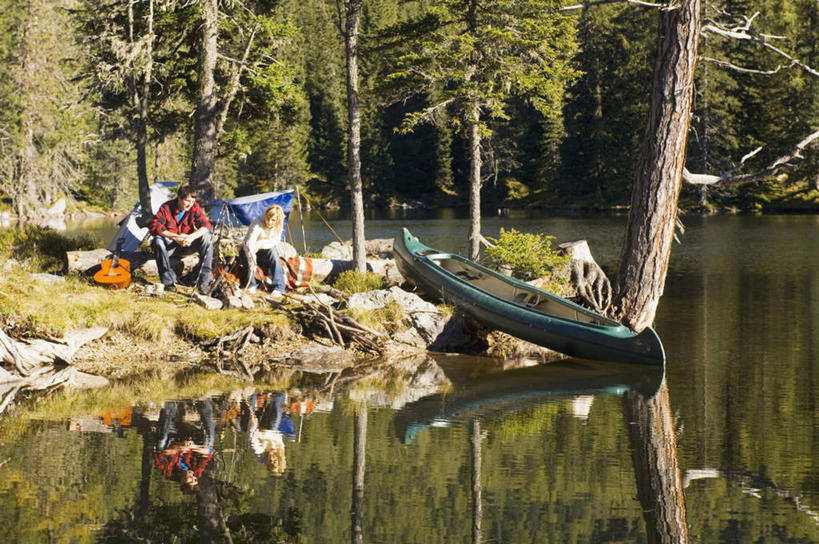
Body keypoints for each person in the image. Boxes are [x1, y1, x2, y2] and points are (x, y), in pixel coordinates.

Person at [149, 184, 213, 293]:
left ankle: (204, 282)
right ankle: (168, 282)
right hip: (170, 247)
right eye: (187, 201)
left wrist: (191, 237)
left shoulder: (194, 207)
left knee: (207, 237)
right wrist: (176, 237)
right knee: (157, 241)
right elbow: (155, 226)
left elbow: (206, 226)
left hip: (187, 245)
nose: (190, 204)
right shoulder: (166, 207)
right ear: (179, 198)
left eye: (192, 201)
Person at [152, 400, 217, 494]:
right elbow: (208, 453)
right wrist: (193, 447)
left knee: (161, 444)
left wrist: (179, 447)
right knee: (209, 442)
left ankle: (171, 405)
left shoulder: (169, 473)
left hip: (171, 437)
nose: (193, 476)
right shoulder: (197, 471)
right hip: (191, 439)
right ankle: (204, 405)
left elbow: (159, 454)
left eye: (191, 480)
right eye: (195, 479)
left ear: (182, 482)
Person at [240, 204, 287, 295]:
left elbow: (275, 241)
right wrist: (252, 260)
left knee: (273, 252)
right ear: (265, 216)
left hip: (263, 248)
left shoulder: (279, 225)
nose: (269, 222)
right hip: (249, 249)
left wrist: (259, 244)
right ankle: (251, 284)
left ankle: (279, 287)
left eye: (273, 220)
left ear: (277, 220)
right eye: (267, 218)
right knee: (246, 255)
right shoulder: (257, 223)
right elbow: (249, 243)